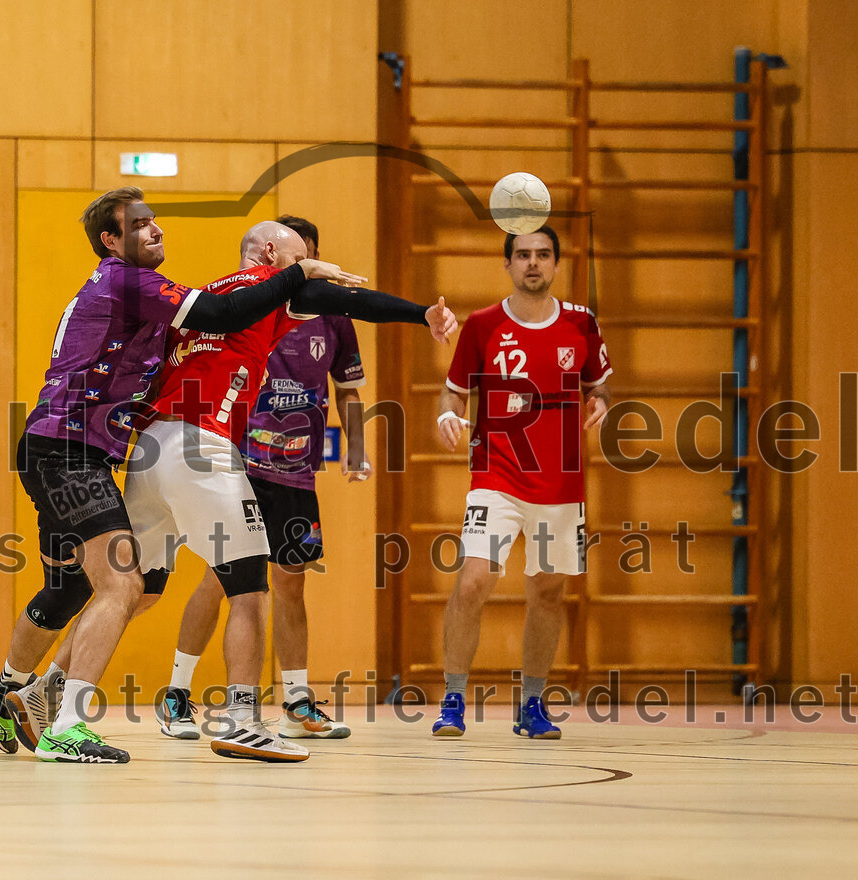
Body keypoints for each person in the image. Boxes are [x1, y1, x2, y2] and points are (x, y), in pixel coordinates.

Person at [0, 187, 364, 764]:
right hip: (69, 447)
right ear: (111, 240)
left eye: (156, 222)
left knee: (82, 586)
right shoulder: (134, 283)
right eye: (140, 224)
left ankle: (14, 698)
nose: (156, 231)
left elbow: (197, 335)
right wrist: (303, 273)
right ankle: (71, 721)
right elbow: (222, 313)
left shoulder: (155, 303)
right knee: (128, 585)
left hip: (93, 452)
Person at [123, 220, 456, 762]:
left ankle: (49, 691)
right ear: (277, 256)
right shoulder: (267, 296)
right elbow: (331, 294)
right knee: (243, 585)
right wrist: (421, 314)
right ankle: (226, 713)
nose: (313, 274)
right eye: (305, 263)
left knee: (134, 589)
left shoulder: (204, 300)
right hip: (217, 452)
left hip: (183, 451)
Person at [159, 215, 367, 743]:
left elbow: (348, 389)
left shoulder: (334, 314)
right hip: (240, 462)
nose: (308, 272)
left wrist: (357, 450)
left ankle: (297, 702)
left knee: (290, 583)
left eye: (313, 262)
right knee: (221, 577)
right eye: (300, 263)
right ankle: (177, 693)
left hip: (296, 471)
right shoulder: (252, 302)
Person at [431, 226, 612, 740]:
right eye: (524, 255)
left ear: (557, 263)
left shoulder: (582, 323)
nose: (534, 262)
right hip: (497, 472)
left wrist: (601, 400)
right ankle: (452, 701)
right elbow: (453, 395)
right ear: (507, 264)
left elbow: (599, 385)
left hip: (562, 481)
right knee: (473, 581)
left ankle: (531, 705)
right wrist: (448, 417)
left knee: (548, 592)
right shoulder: (484, 325)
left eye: (544, 254)